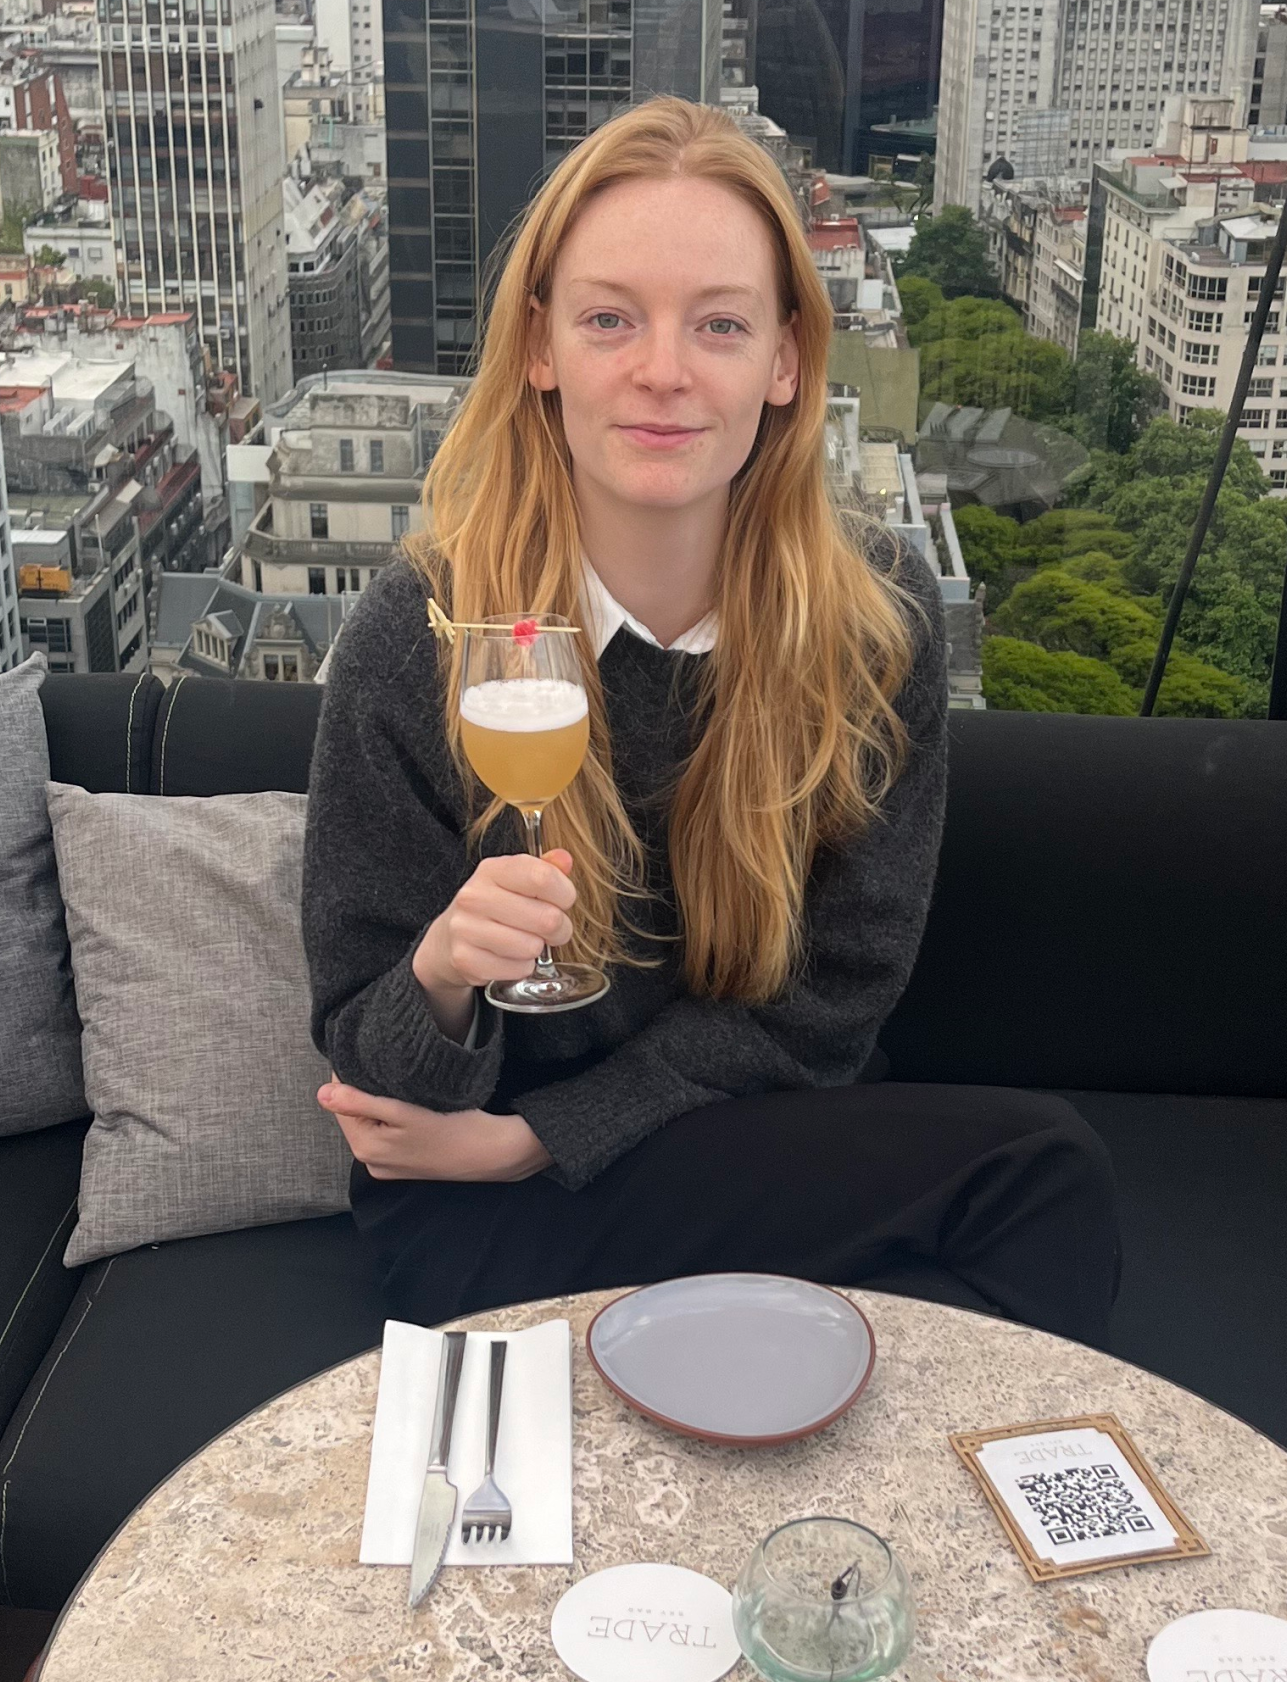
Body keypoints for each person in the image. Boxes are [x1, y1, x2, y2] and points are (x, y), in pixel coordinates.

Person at [301, 97, 1118, 1341]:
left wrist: (538, 1136)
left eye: (719, 324)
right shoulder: (423, 633)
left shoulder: (869, 615)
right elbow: (371, 1072)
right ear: (540, 348)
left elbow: (831, 1004)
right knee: (1034, 1185)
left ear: (785, 361)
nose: (663, 370)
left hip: (704, 1144)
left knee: (1044, 1178)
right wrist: (445, 974)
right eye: (609, 318)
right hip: (480, 1223)